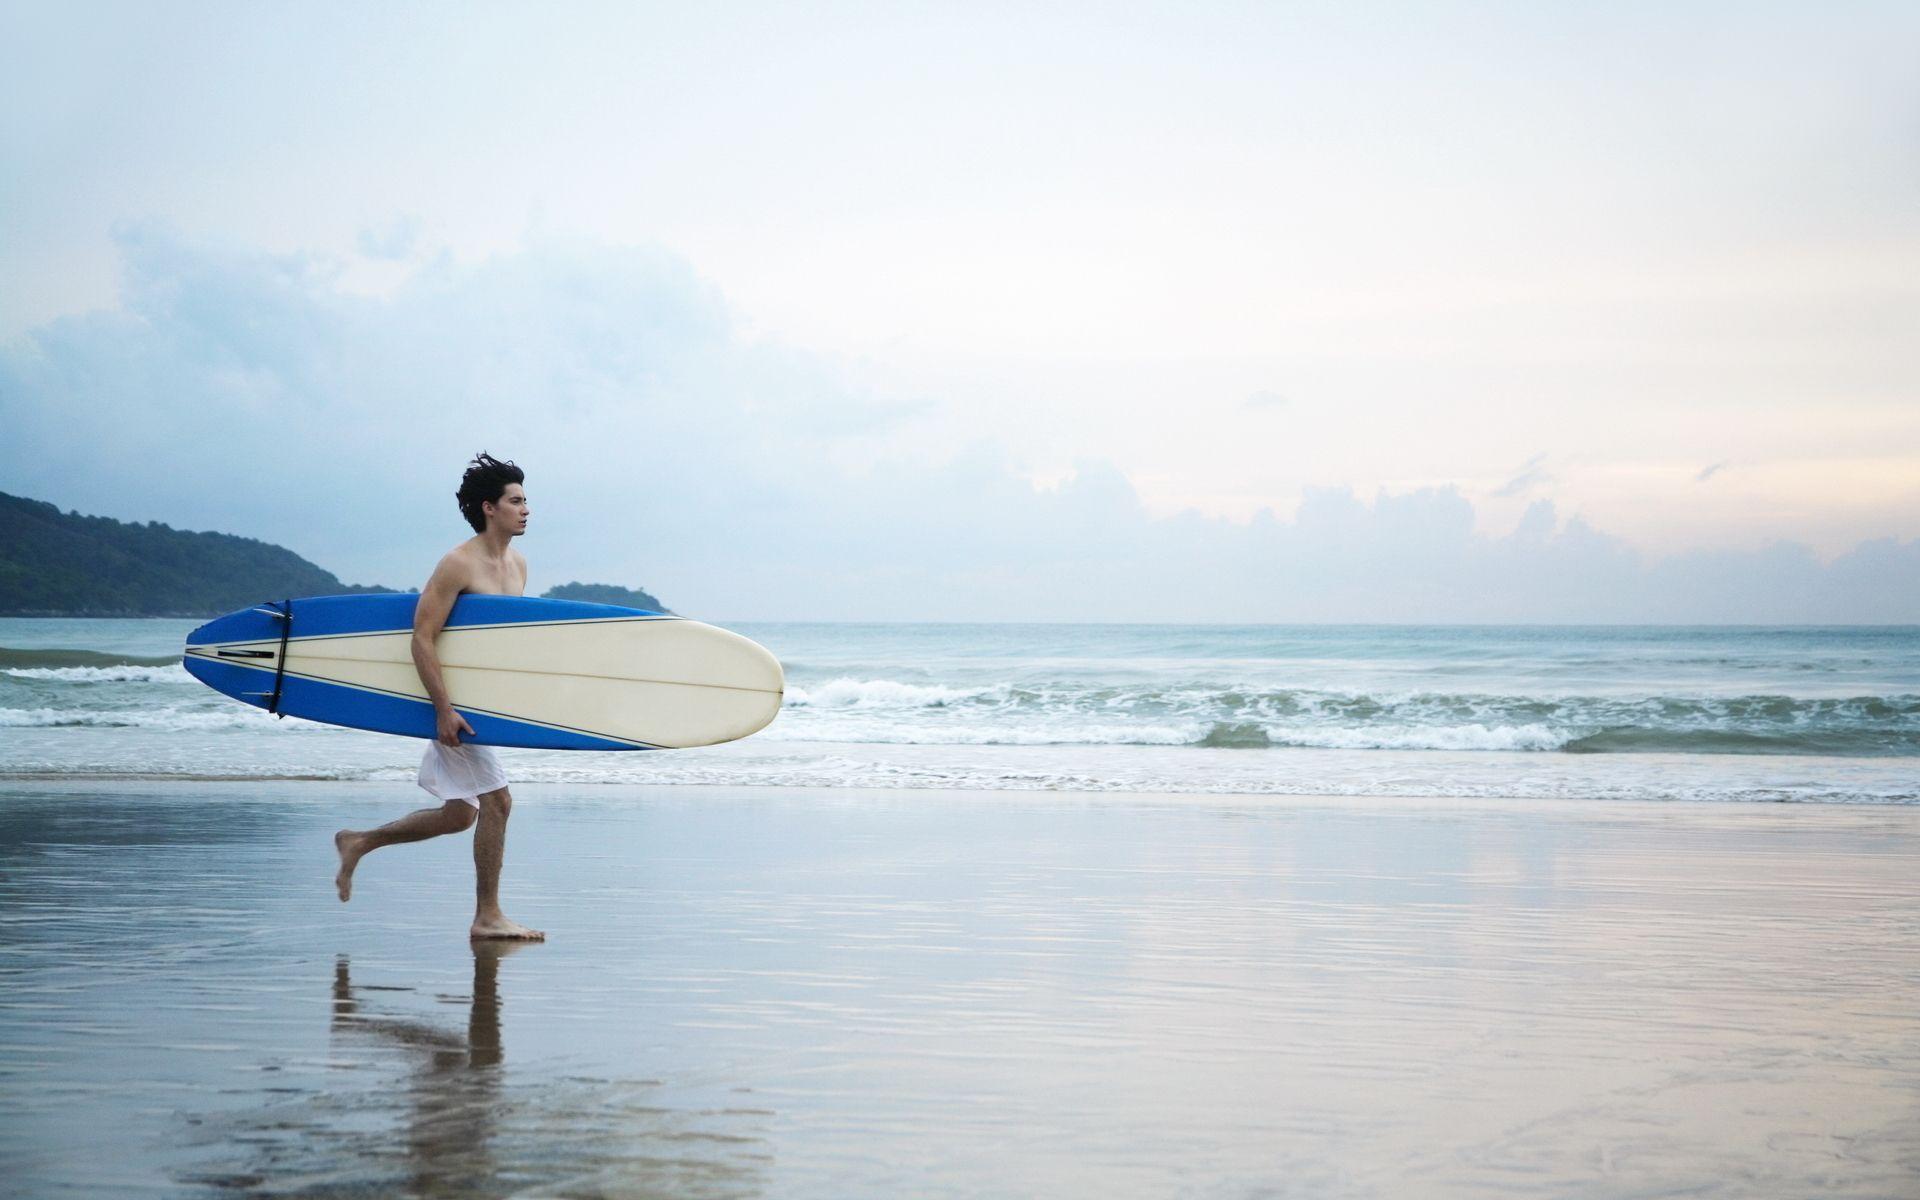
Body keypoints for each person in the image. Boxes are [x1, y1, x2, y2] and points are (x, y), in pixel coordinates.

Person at [333, 452, 545, 940]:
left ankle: (359, 841)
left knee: (458, 815)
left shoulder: (518, 566)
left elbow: (498, 647)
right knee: (499, 803)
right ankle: (487, 916)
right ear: (490, 508)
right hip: (456, 708)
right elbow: (422, 637)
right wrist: (443, 710)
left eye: (526, 500)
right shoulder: (457, 564)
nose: (526, 509)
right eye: (516, 501)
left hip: (482, 706)